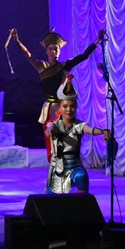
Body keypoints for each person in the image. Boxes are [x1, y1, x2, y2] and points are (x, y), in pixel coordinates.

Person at [11, 28, 105, 161]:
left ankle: (67, 164)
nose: (53, 51)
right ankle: (55, 166)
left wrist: (97, 41)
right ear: (46, 51)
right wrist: (17, 40)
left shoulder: (65, 66)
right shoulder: (41, 66)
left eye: (56, 49)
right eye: (50, 49)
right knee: (51, 141)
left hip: (63, 108)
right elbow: (28, 54)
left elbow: (83, 56)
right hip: (49, 109)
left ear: (60, 51)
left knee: (65, 139)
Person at [45, 75, 110, 194]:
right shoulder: (55, 125)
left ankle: (82, 203)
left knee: (81, 177)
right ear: (59, 108)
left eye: (72, 106)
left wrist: (102, 131)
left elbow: (90, 130)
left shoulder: (78, 125)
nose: (69, 109)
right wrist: (49, 130)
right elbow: (50, 127)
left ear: (76, 107)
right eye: (65, 106)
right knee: (51, 199)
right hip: (58, 170)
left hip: (74, 168)